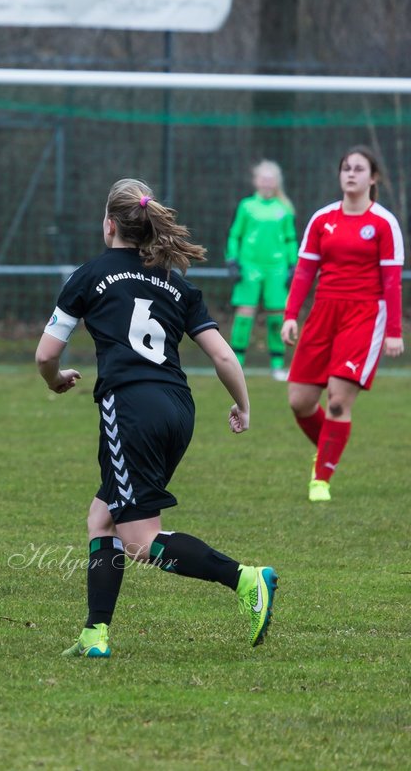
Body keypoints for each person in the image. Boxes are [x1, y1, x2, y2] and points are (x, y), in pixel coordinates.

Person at [35, 178, 277, 658]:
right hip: (177, 409)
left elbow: (45, 354)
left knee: (141, 540)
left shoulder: (89, 275)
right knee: (102, 517)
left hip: (129, 411)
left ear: (109, 225)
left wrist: (54, 378)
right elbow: (224, 358)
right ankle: (95, 634)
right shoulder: (176, 282)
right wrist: (244, 406)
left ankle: (246, 579)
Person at [281, 145, 404, 503]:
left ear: (373, 177)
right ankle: (328, 450)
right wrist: (291, 315)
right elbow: (305, 271)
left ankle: (321, 480)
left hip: (365, 315)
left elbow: (392, 281)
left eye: (359, 169)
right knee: (300, 402)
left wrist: (393, 332)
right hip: (323, 313)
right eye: (346, 168)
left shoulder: (383, 222)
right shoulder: (322, 220)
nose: (351, 174)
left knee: (337, 401)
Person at [225, 160, 297, 380]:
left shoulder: (284, 209)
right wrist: (232, 259)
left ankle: (277, 365)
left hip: (276, 268)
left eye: (270, 179)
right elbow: (235, 234)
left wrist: (293, 264)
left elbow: (290, 239)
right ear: (256, 181)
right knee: (244, 315)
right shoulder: (247, 206)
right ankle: (236, 365)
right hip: (250, 267)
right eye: (263, 179)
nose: (266, 183)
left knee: (277, 317)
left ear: (277, 182)